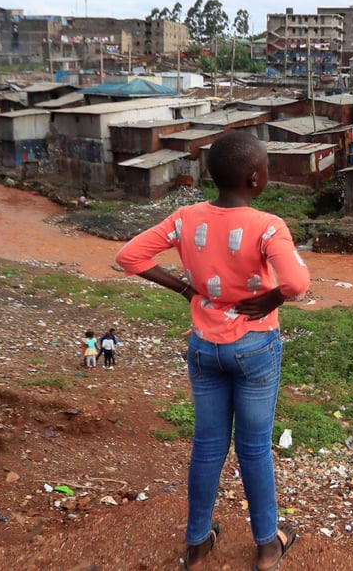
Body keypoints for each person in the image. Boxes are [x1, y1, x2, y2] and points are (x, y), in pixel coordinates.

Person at [115, 131, 309, 571]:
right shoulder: (267, 225)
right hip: (255, 347)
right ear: (256, 178)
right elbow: (297, 284)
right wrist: (273, 298)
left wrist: (185, 288)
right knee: (255, 448)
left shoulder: (185, 218)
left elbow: (129, 256)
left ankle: (198, 545)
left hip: (205, 348)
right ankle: (266, 547)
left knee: (207, 447)